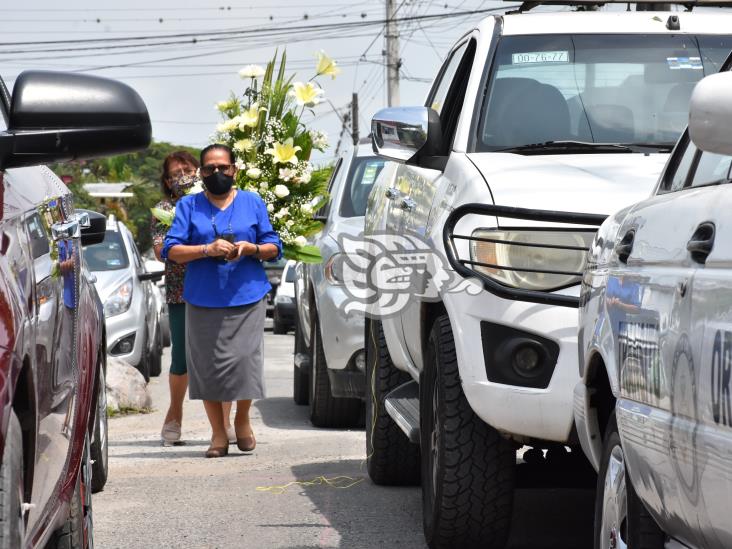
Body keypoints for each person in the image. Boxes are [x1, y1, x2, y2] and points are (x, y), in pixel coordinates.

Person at [162, 144, 281, 458]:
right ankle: (218, 433)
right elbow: (171, 249)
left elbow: (273, 245)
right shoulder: (189, 206)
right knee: (207, 369)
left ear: (234, 170)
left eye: (223, 167)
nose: (217, 173)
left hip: (247, 295)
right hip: (202, 297)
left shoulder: (252, 202)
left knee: (245, 363)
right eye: (210, 169)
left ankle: (241, 420)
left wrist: (252, 248)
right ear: (201, 173)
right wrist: (206, 249)